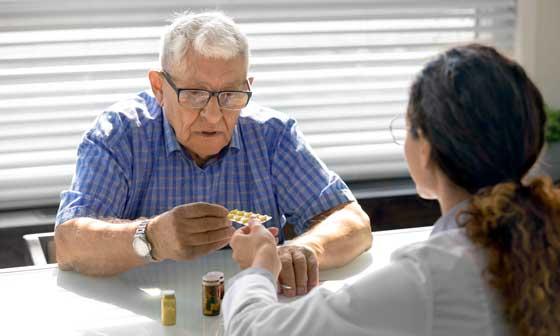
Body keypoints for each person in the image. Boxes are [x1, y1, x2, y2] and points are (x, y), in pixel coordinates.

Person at [224, 44, 560, 336]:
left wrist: (259, 267)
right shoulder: (541, 235)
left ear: (425, 147)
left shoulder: (427, 279)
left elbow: (253, 330)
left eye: (408, 129)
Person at [54, 11, 372, 296]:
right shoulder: (120, 135)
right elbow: (69, 245)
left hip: (252, 314)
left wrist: (303, 250)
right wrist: (152, 238)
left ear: (248, 86)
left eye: (230, 95)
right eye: (194, 95)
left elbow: (352, 222)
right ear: (158, 87)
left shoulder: (272, 135)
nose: (213, 115)